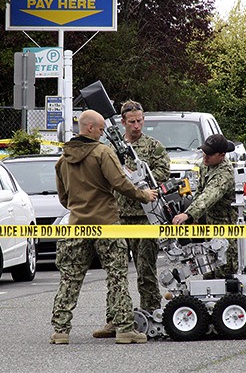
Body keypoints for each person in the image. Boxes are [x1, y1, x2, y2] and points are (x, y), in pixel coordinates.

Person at [50, 109, 158, 345]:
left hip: (77, 225)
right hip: (107, 224)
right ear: (90, 128)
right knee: (117, 276)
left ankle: (60, 330)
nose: (102, 133)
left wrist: (80, 207)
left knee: (70, 277)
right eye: (100, 129)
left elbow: (63, 198)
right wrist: (143, 195)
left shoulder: (62, 159)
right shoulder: (102, 152)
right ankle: (124, 329)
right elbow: (120, 183)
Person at [93, 100, 170, 339]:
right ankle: (115, 319)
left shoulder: (153, 146)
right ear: (123, 122)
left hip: (144, 218)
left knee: (146, 270)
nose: (137, 125)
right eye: (132, 121)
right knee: (115, 272)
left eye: (140, 120)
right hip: (116, 216)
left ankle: (152, 314)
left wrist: (140, 176)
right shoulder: (110, 148)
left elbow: (163, 172)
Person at [171, 133, 239, 279]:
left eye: (209, 154)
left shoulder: (224, 173)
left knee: (224, 273)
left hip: (226, 228)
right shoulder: (205, 165)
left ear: (221, 155)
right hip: (208, 225)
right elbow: (200, 192)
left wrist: (188, 215)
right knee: (207, 271)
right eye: (204, 152)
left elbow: (209, 196)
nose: (205, 157)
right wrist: (193, 216)